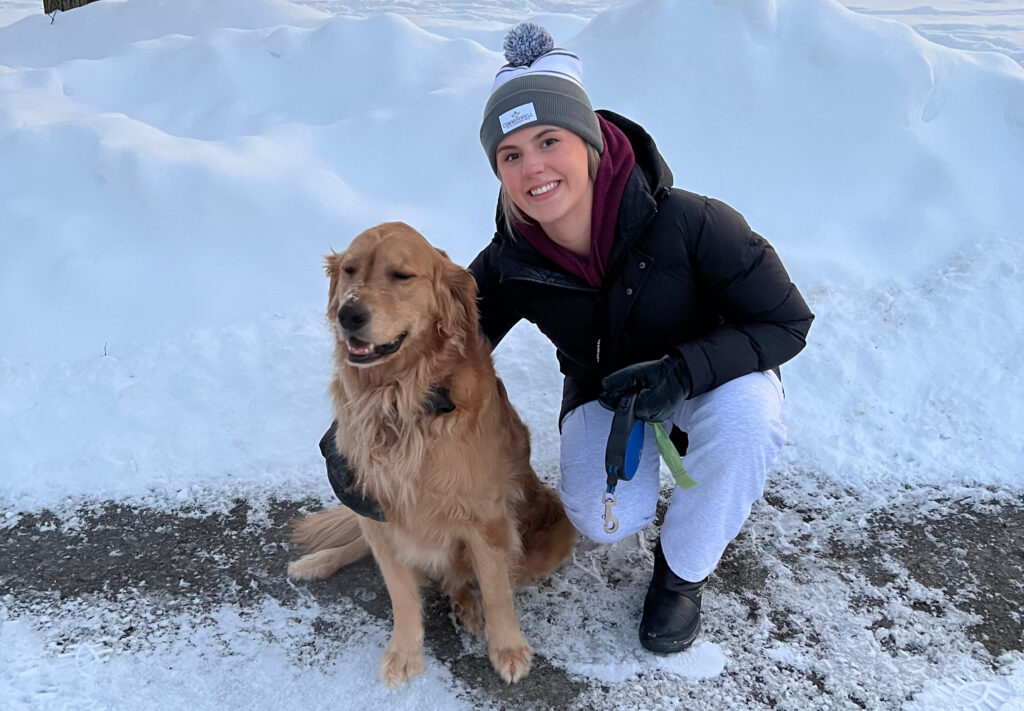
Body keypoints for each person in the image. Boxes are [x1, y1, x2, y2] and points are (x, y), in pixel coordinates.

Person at [465, 23, 814, 654]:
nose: (532, 167)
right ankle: (655, 462)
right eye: (510, 155)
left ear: (589, 141)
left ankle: (681, 575)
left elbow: (787, 321)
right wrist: (355, 432)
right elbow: (441, 347)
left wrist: (684, 372)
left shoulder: (693, 220)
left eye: (549, 140)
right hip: (605, 392)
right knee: (604, 522)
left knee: (745, 427)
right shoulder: (509, 259)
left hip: (713, 379)